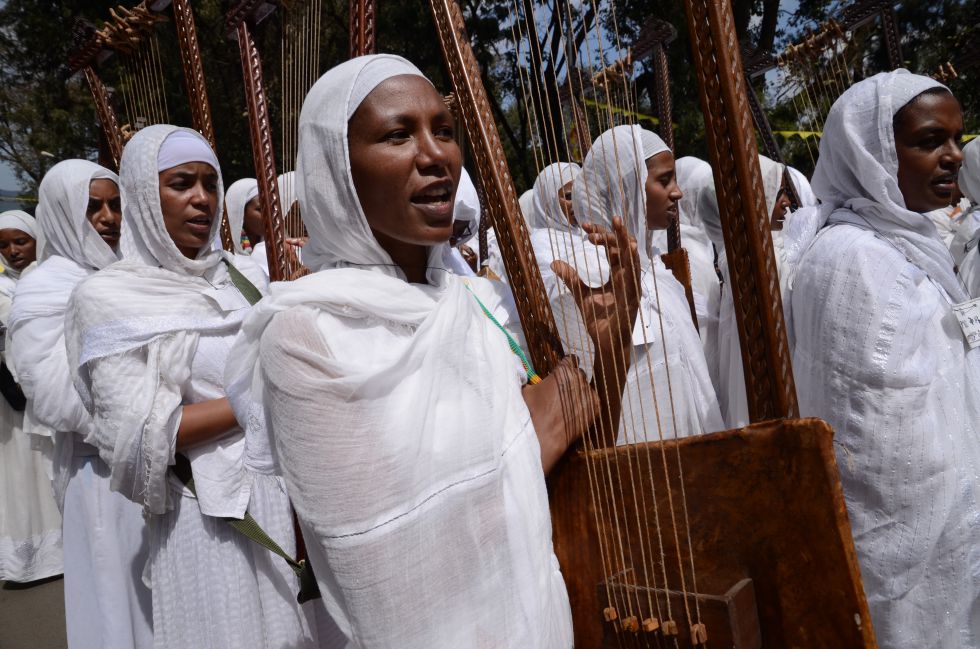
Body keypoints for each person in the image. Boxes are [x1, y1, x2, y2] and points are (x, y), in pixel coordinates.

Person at [224, 54, 642, 648]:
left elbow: (577, 465)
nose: (435, 154)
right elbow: (376, 564)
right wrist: (530, 439)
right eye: (398, 134)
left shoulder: (482, 301)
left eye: (443, 130)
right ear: (338, 170)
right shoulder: (306, 335)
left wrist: (611, 349)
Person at [65, 126, 331, 649]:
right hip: (212, 524)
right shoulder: (107, 298)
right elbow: (138, 436)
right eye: (182, 183)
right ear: (143, 194)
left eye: (211, 183)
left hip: (295, 502)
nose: (202, 198)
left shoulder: (237, 275)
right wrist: (255, 400)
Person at [788, 70, 978, 649]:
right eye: (927, 142)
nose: (951, 157)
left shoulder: (909, 243)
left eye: (955, 139)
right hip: (901, 554)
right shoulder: (854, 261)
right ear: (869, 153)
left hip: (953, 527)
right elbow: (874, 457)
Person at [6, 160, 151, 645]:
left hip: (162, 461)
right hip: (101, 472)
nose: (108, 218)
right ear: (63, 213)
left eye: (115, 205)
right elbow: (48, 391)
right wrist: (140, 414)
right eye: (93, 207)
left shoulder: (139, 269)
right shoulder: (43, 288)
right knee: (117, 599)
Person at [573, 125, 723, 442]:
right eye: (664, 180)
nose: (677, 192)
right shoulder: (594, 274)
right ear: (627, 189)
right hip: (641, 463)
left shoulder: (656, 267)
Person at [0, 209, 63, 585]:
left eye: (20, 241)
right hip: (10, 404)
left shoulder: (47, 280)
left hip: (45, 394)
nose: (12, 251)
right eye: (4, 245)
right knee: (20, 476)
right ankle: (29, 558)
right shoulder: (5, 285)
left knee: (50, 466)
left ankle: (63, 550)